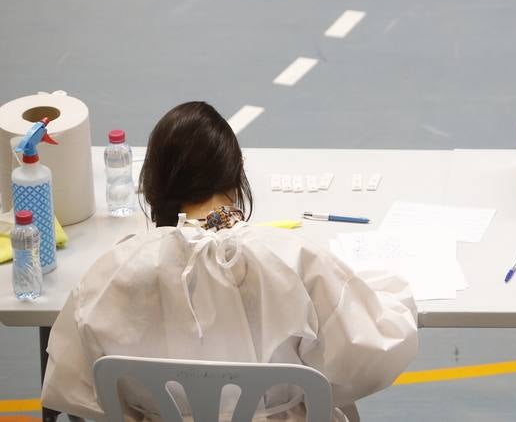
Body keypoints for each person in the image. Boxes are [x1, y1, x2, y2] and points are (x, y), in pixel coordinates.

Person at [40, 102, 418, 422]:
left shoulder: (116, 270)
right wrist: (389, 291)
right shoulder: (291, 257)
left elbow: (73, 386)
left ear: (154, 185)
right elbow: (371, 353)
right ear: (236, 174)